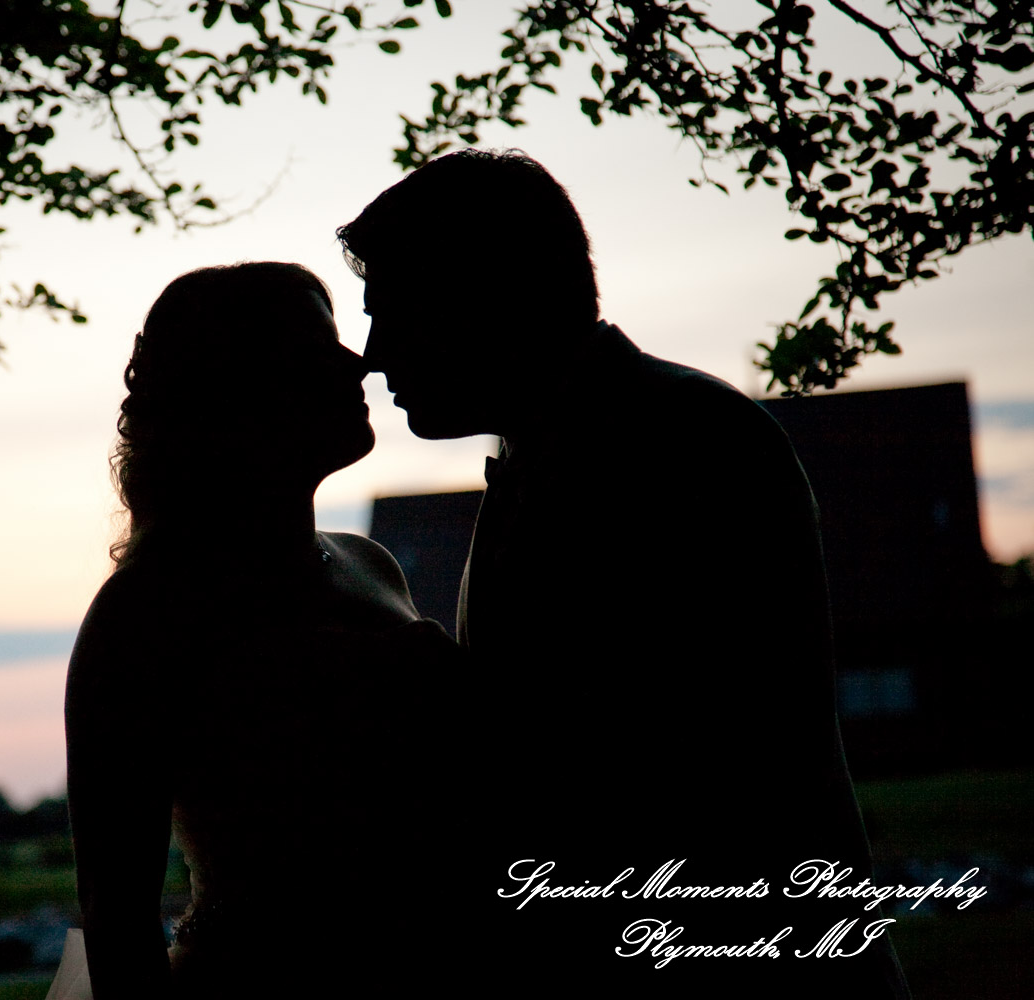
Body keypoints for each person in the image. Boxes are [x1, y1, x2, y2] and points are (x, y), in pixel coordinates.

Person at [336, 149, 912, 996]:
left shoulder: (680, 447)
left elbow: (642, 773)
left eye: (394, 315)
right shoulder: (571, 446)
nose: (373, 357)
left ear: (477, 297)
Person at [62, 262, 458, 999]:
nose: (358, 361)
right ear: (236, 387)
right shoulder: (146, 610)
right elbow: (115, 912)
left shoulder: (370, 562)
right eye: (316, 345)